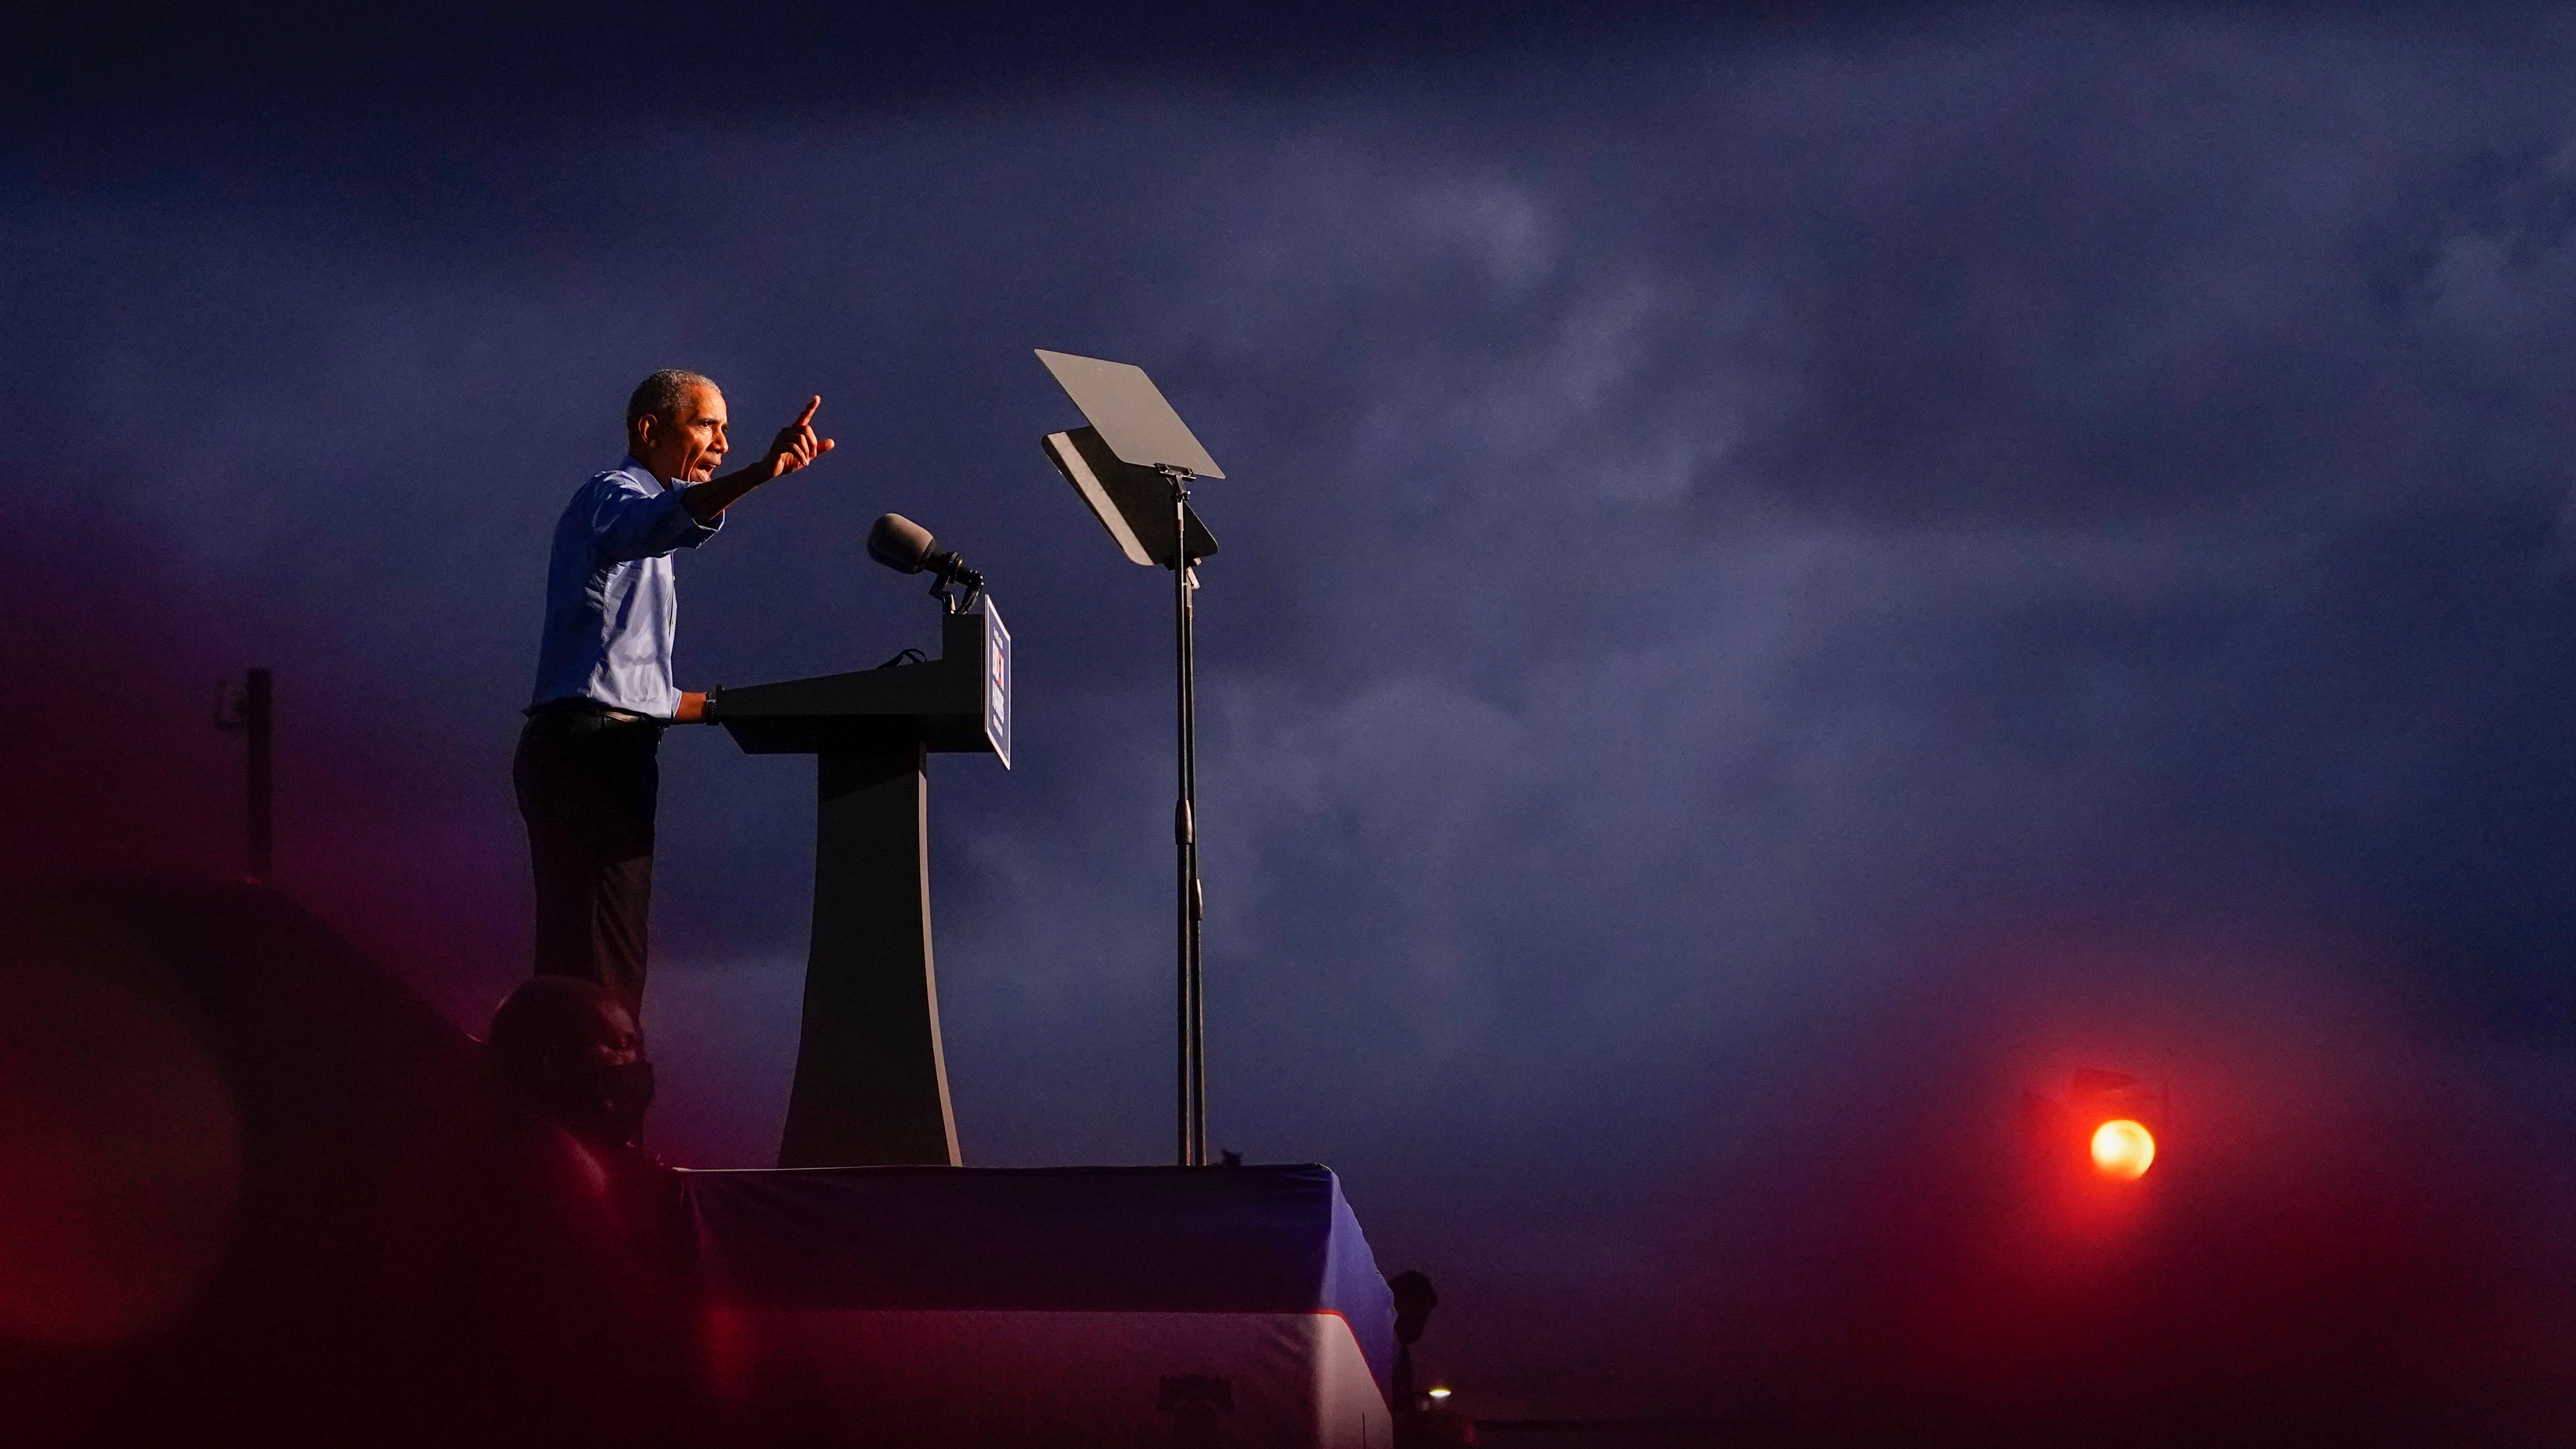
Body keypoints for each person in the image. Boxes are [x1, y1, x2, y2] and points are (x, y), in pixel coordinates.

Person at [515, 370, 835, 1017]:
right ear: (649, 430)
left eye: (725, 430)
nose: (720, 441)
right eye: (706, 425)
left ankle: (584, 1103)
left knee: (609, 960)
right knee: (597, 970)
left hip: (610, 748)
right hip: (589, 752)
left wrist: (736, 707)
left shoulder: (648, 527)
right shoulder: (612, 497)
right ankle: (582, 1107)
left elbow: (638, 687)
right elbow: (655, 527)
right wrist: (758, 474)